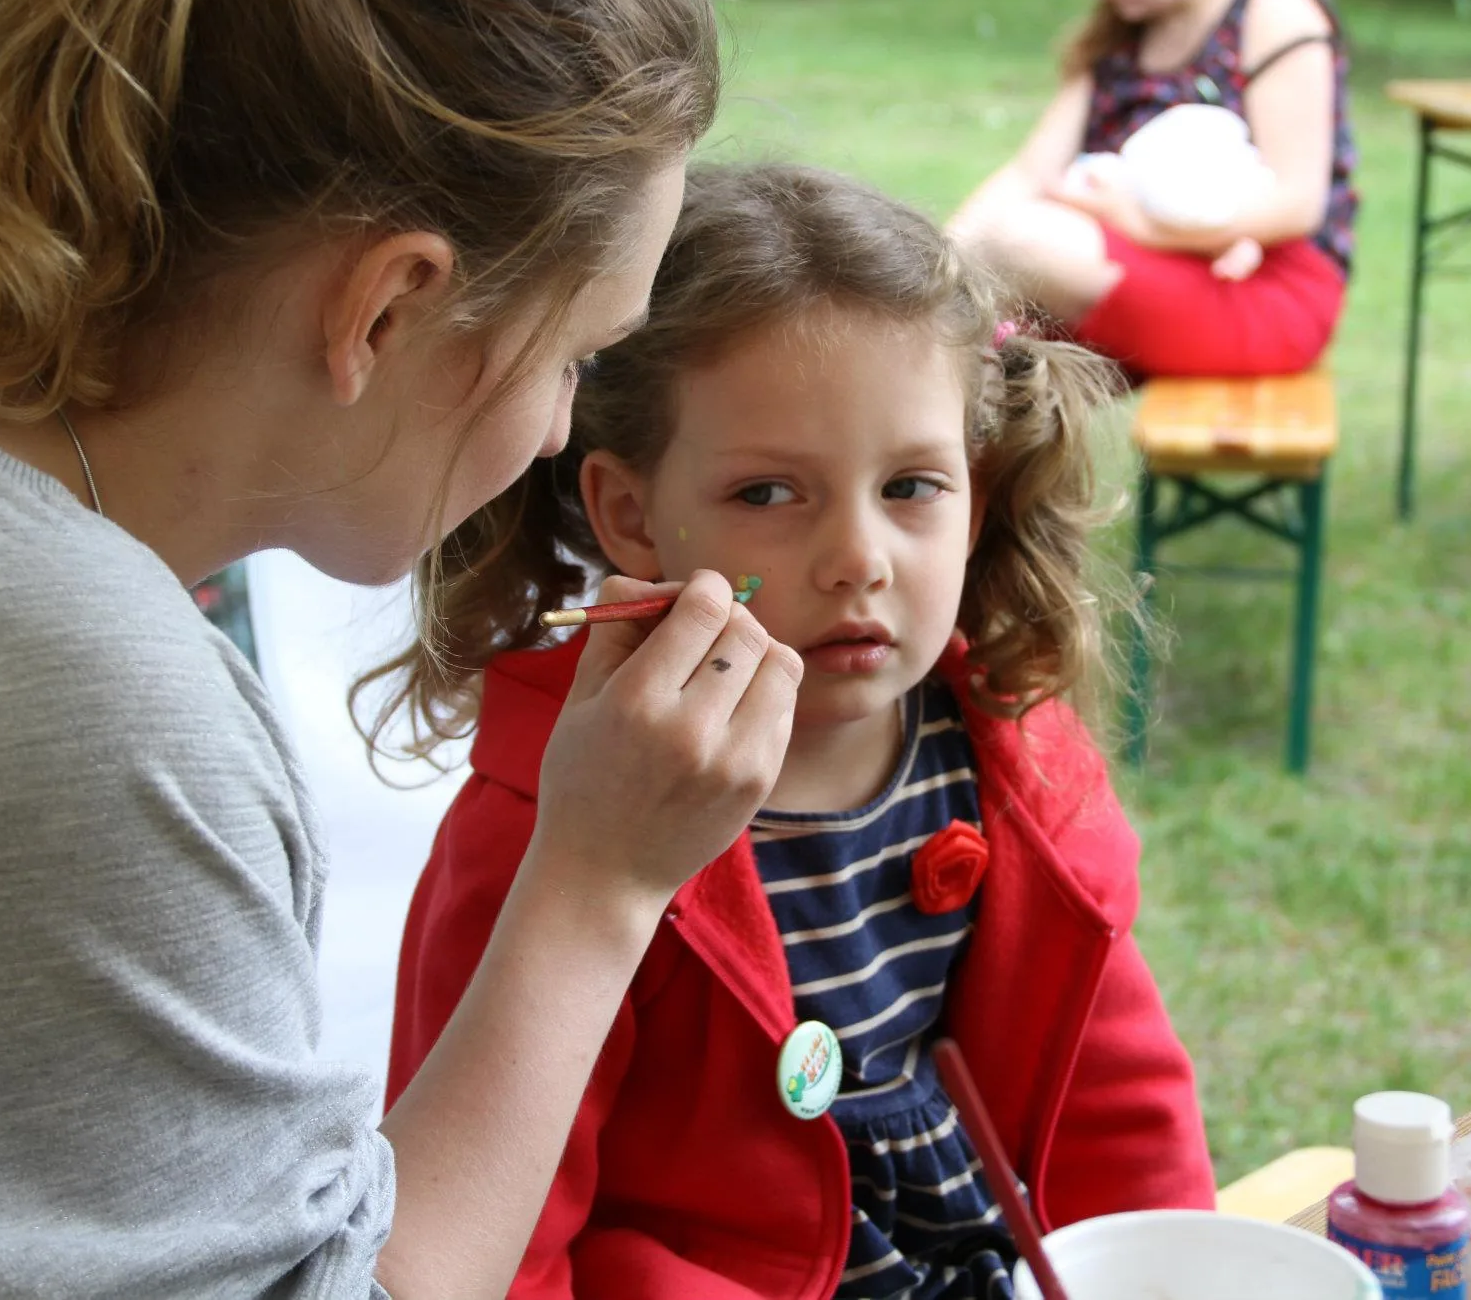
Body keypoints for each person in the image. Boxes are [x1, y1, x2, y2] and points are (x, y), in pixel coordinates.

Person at [0, 0, 804, 1297]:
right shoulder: (85, 704)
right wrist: (601, 880)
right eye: (574, 355)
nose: (565, 424)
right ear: (387, 307)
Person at [383, 163, 1216, 1300]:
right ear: (629, 514)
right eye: (769, 494)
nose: (858, 558)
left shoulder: (1014, 758)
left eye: (913, 486)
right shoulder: (557, 819)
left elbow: (1117, 1118)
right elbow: (495, 1235)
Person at [949, 0, 1359, 380]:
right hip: (1124, 263)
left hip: (1260, 282)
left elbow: (1296, 205)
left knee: (1019, 244)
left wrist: (1141, 225)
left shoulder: (1277, 12)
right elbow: (1030, 173)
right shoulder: (1130, 20)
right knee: (968, 355)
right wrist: (937, 262)